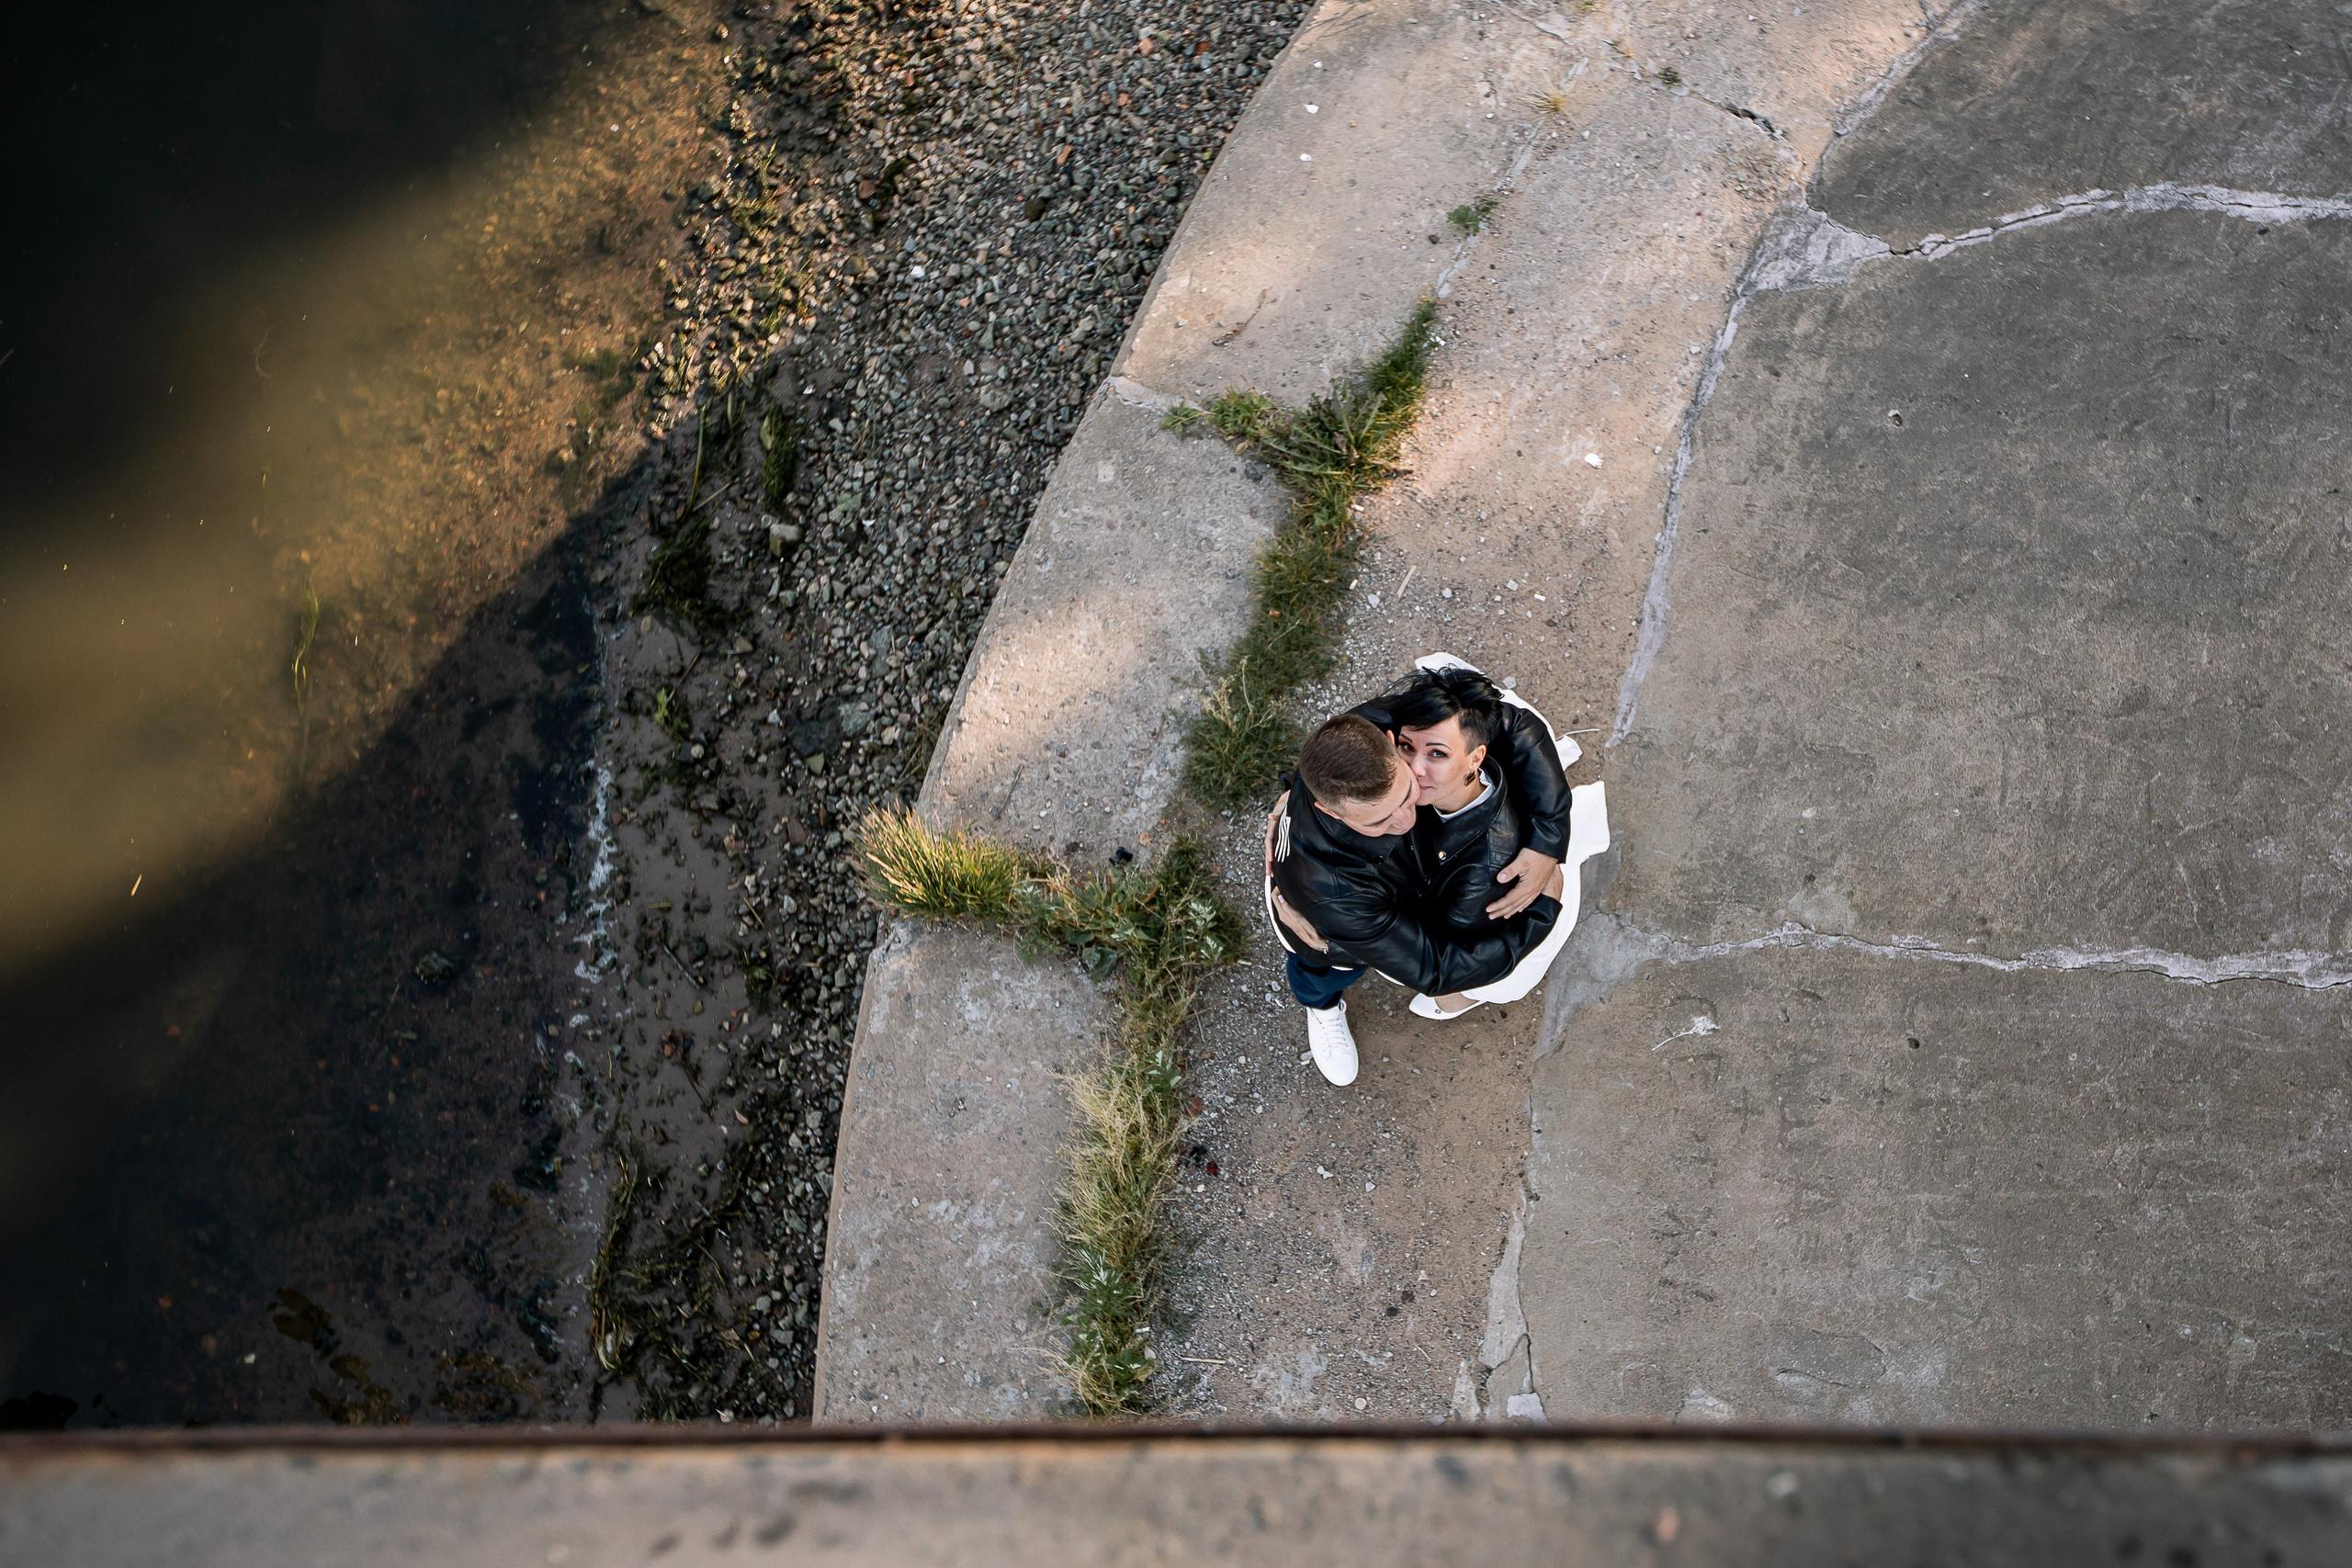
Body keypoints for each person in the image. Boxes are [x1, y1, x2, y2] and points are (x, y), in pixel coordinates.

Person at [1265, 661, 1572, 1085]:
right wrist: (1541, 912)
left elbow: (1510, 722)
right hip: (1325, 923)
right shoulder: (1334, 893)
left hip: (1360, 882)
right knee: (1321, 963)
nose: (1407, 820)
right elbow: (1433, 970)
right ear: (1328, 810)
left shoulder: (1368, 730)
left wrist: (1548, 839)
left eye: (1407, 795)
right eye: (1379, 822)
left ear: (1390, 744)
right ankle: (1320, 1007)